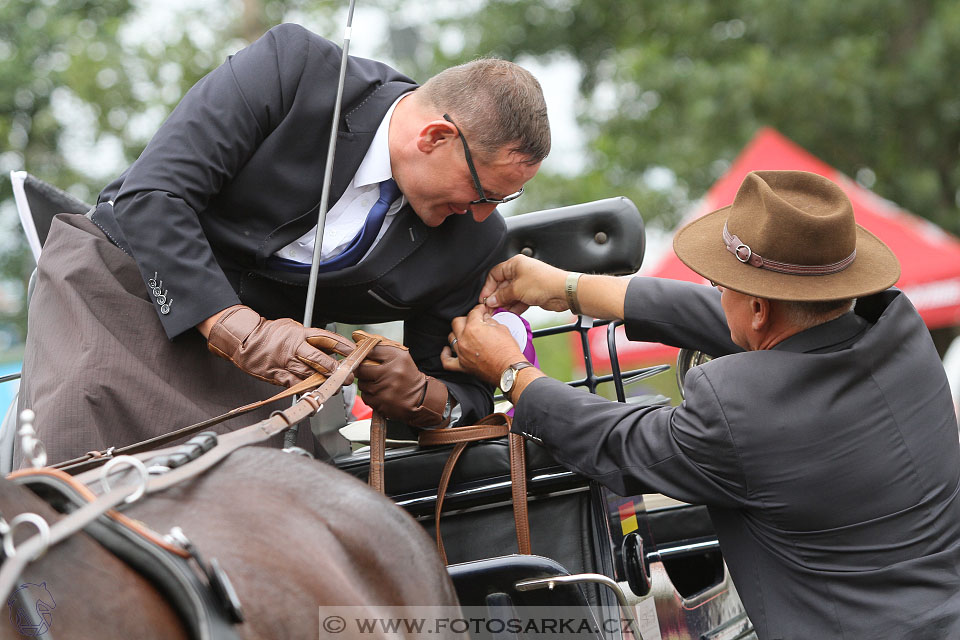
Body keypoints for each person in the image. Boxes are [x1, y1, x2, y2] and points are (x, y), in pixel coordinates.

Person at [443, 170, 960, 639]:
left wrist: (509, 369)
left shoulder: (742, 411)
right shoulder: (900, 335)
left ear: (757, 307)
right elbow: (754, 322)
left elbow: (616, 442)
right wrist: (570, 288)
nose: (714, 292)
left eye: (720, 283)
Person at [15, 22, 549, 466]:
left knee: (288, 521)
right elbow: (153, 195)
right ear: (435, 138)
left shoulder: (475, 238)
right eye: (482, 191)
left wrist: (423, 396)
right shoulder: (293, 68)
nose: (481, 213)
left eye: (504, 199)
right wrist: (232, 324)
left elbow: (466, 394)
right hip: (119, 295)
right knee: (76, 464)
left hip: (259, 381)